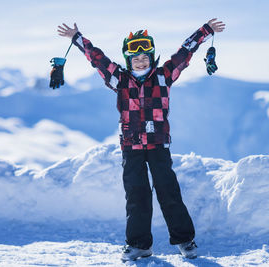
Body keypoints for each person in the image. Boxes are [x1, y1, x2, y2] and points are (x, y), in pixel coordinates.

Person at [57, 18, 226, 260]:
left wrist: (206, 31)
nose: (140, 60)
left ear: (152, 57)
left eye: (145, 56)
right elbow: (98, 58)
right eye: (135, 58)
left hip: (158, 145)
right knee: (137, 196)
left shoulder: (164, 75)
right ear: (128, 60)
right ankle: (139, 244)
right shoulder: (120, 80)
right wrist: (77, 38)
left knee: (169, 192)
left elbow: (184, 53)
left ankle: (185, 240)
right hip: (131, 147)